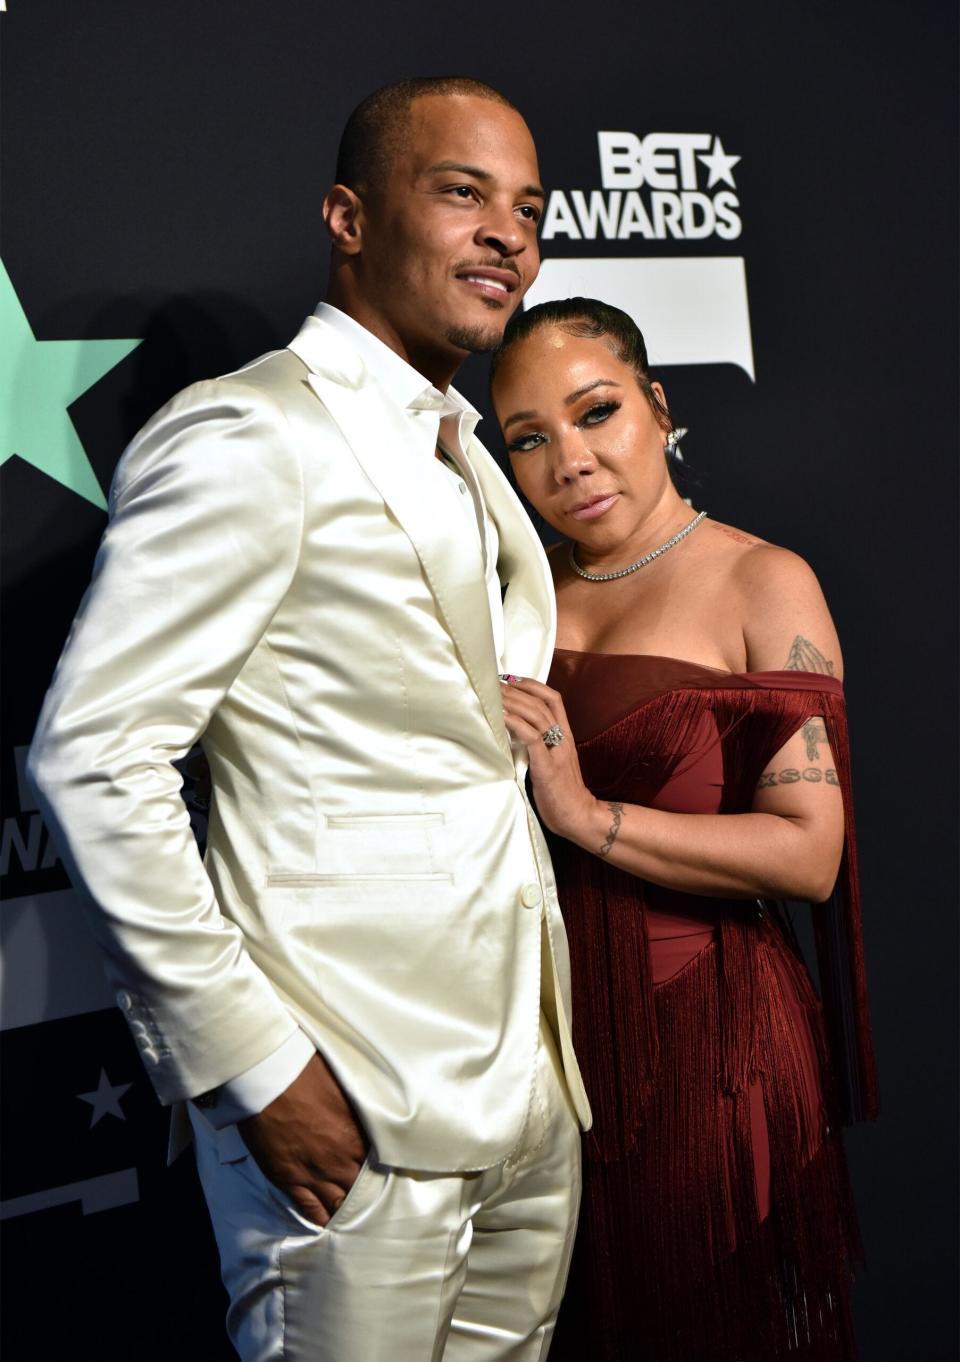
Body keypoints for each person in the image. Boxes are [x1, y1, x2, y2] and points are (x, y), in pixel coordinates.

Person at [27, 80, 592, 1362]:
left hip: (523, 1103)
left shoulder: (465, 443)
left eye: (529, 209)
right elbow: (95, 757)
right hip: (353, 1105)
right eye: (463, 193)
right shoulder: (251, 435)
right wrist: (252, 1067)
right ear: (348, 215)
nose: (508, 233)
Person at [490, 298, 878, 1361]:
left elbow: (807, 852)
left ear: (659, 408)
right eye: (529, 438)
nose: (570, 460)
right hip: (544, 1059)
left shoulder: (764, 579)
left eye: (597, 411)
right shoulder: (514, 595)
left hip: (707, 1045)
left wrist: (583, 813)